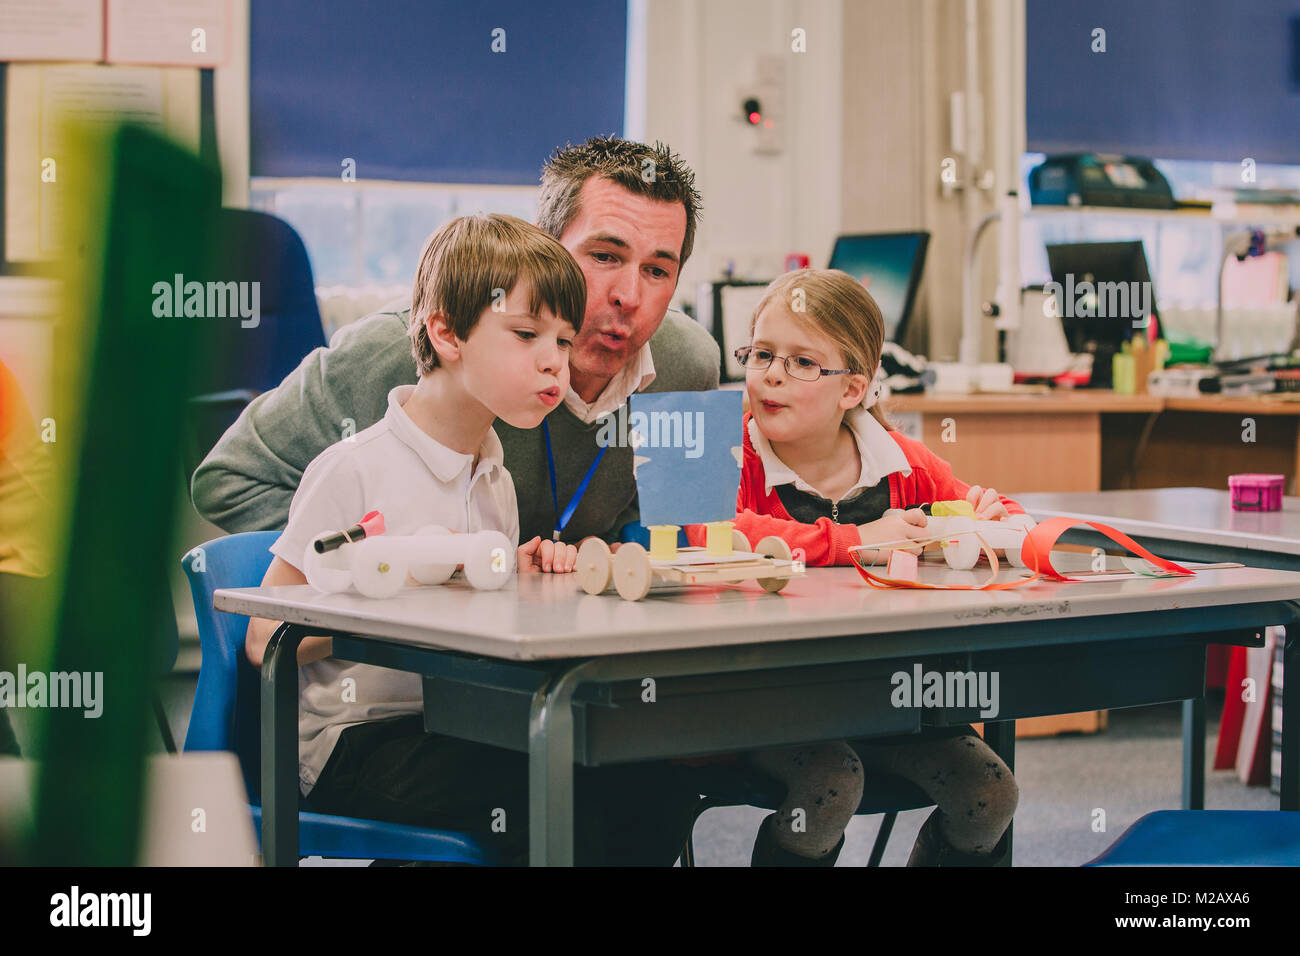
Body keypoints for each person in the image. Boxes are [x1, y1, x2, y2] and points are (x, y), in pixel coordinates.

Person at [243, 213, 700, 865]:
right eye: (526, 335)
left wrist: (519, 578)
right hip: (355, 745)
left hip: (456, 723)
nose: (555, 362)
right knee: (572, 797)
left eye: (565, 342)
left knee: (648, 778)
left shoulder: (495, 479)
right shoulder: (354, 469)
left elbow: (474, 619)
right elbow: (267, 640)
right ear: (447, 333)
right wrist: (405, 590)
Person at [191, 136, 719, 545]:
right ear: (545, 246)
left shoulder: (691, 363)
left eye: (657, 270)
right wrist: (395, 553)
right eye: (604, 256)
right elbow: (227, 478)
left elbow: (692, 533)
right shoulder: (397, 348)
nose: (629, 295)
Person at [694, 268, 1020, 865]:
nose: (771, 373)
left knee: (990, 793)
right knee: (831, 783)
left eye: (801, 363)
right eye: (762, 353)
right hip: (764, 702)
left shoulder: (902, 464)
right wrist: (852, 540)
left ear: (853, 390)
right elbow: (712, 532)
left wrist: (987, 519)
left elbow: (1004, 515)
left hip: (886, 700)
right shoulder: (728, 451)